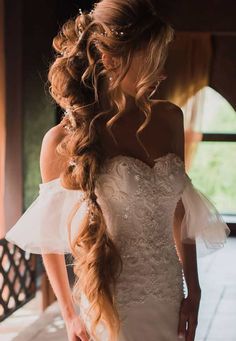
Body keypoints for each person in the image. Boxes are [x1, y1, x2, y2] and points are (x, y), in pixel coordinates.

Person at [5, 0, 231, 340]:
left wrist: (194, 288)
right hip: (109, 299)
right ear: (111, 59)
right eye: (150, 60)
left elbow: (179, 211)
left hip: (169, 291)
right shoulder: (62, 141)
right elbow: (47, 238)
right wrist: (69, 315)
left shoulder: (170, 118)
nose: (162, 72)